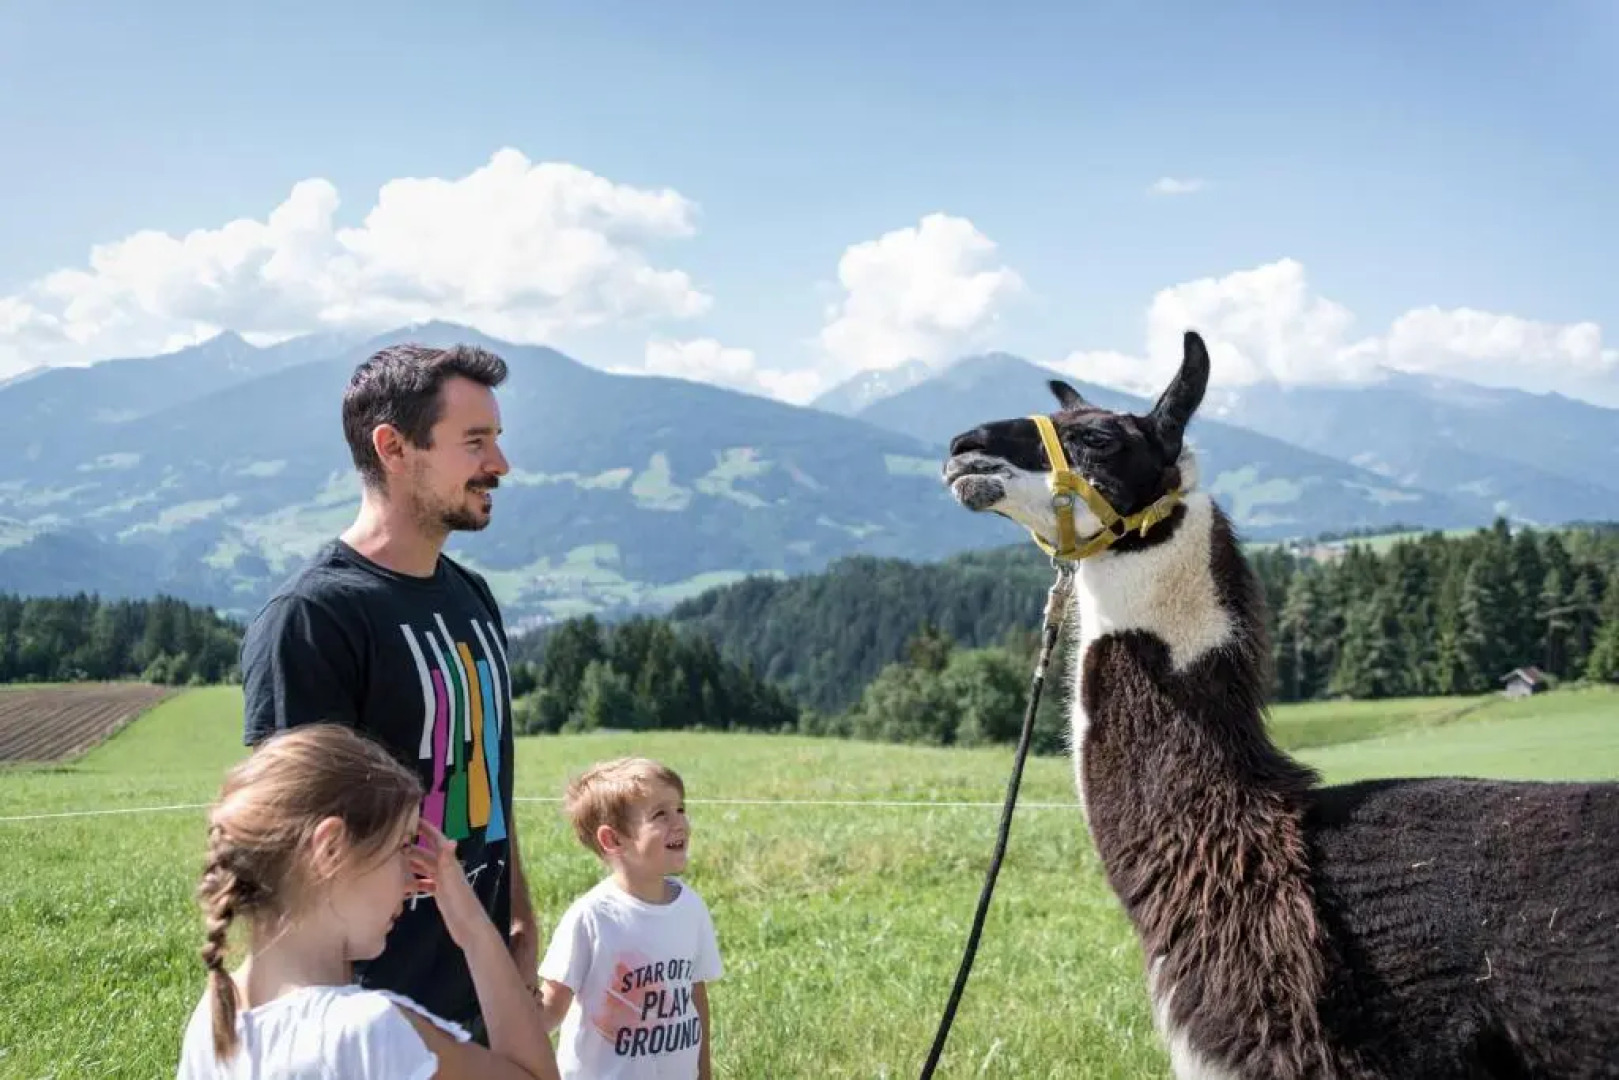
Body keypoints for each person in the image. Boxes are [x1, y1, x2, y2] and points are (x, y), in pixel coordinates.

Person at [236, 341, 534, 1039]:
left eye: (496, 438)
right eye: (475, 441)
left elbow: (489, 777)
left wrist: (518, 920)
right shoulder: (313, 619)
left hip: (484, 988)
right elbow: (288, 850)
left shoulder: (472, 597)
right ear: (393, 447)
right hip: (373, 1016)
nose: (499, 463)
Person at [174, 722, 559, 1080]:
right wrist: (474, 930)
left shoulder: (213, 1022)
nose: (411, 882)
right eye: (403, 846)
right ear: (330, 850)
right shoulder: (370, 1032)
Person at [535, 757, 723, 1080]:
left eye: (680, 809)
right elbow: (550, 1009)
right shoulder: (591, 917)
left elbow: (695, 996)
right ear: (613, 840)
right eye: (660, 814)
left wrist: (702, 1072)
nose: (680, 822)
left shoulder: (691, 908)